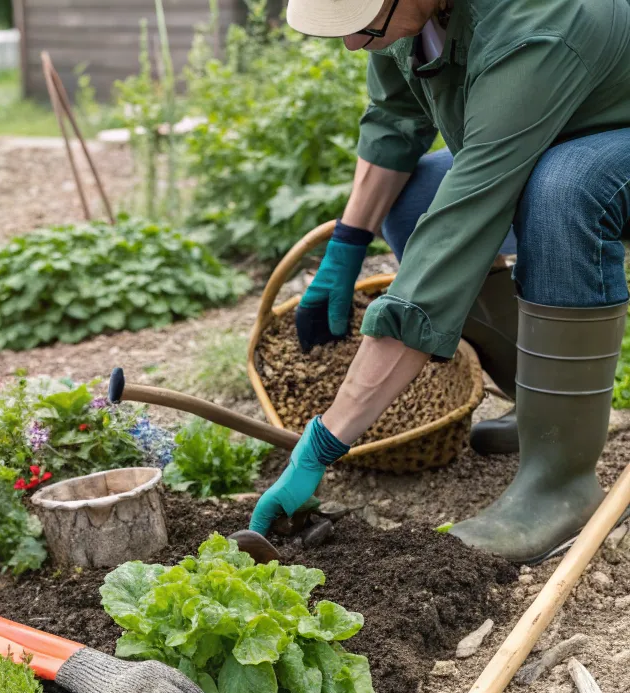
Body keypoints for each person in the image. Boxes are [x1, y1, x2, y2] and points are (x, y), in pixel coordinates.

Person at [251, 0, 630, 564]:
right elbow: (395, 119)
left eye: (361, 28)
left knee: (563, 191)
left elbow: (463, 222)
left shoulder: (533, 24)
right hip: (561, 118)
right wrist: (348, 242)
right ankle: (546, 410)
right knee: (414, 199)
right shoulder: (407, 14)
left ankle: (560, 484)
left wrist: (324, 442)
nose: (352, 45)